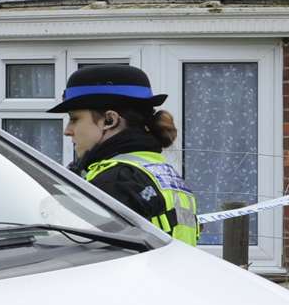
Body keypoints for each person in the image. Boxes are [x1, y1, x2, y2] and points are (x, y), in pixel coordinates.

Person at [45, 64, 200, 245]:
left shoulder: (116, 180)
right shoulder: (161, 172)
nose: (68, 131)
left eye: (74, 119)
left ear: (110, 120)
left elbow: (76, 252)